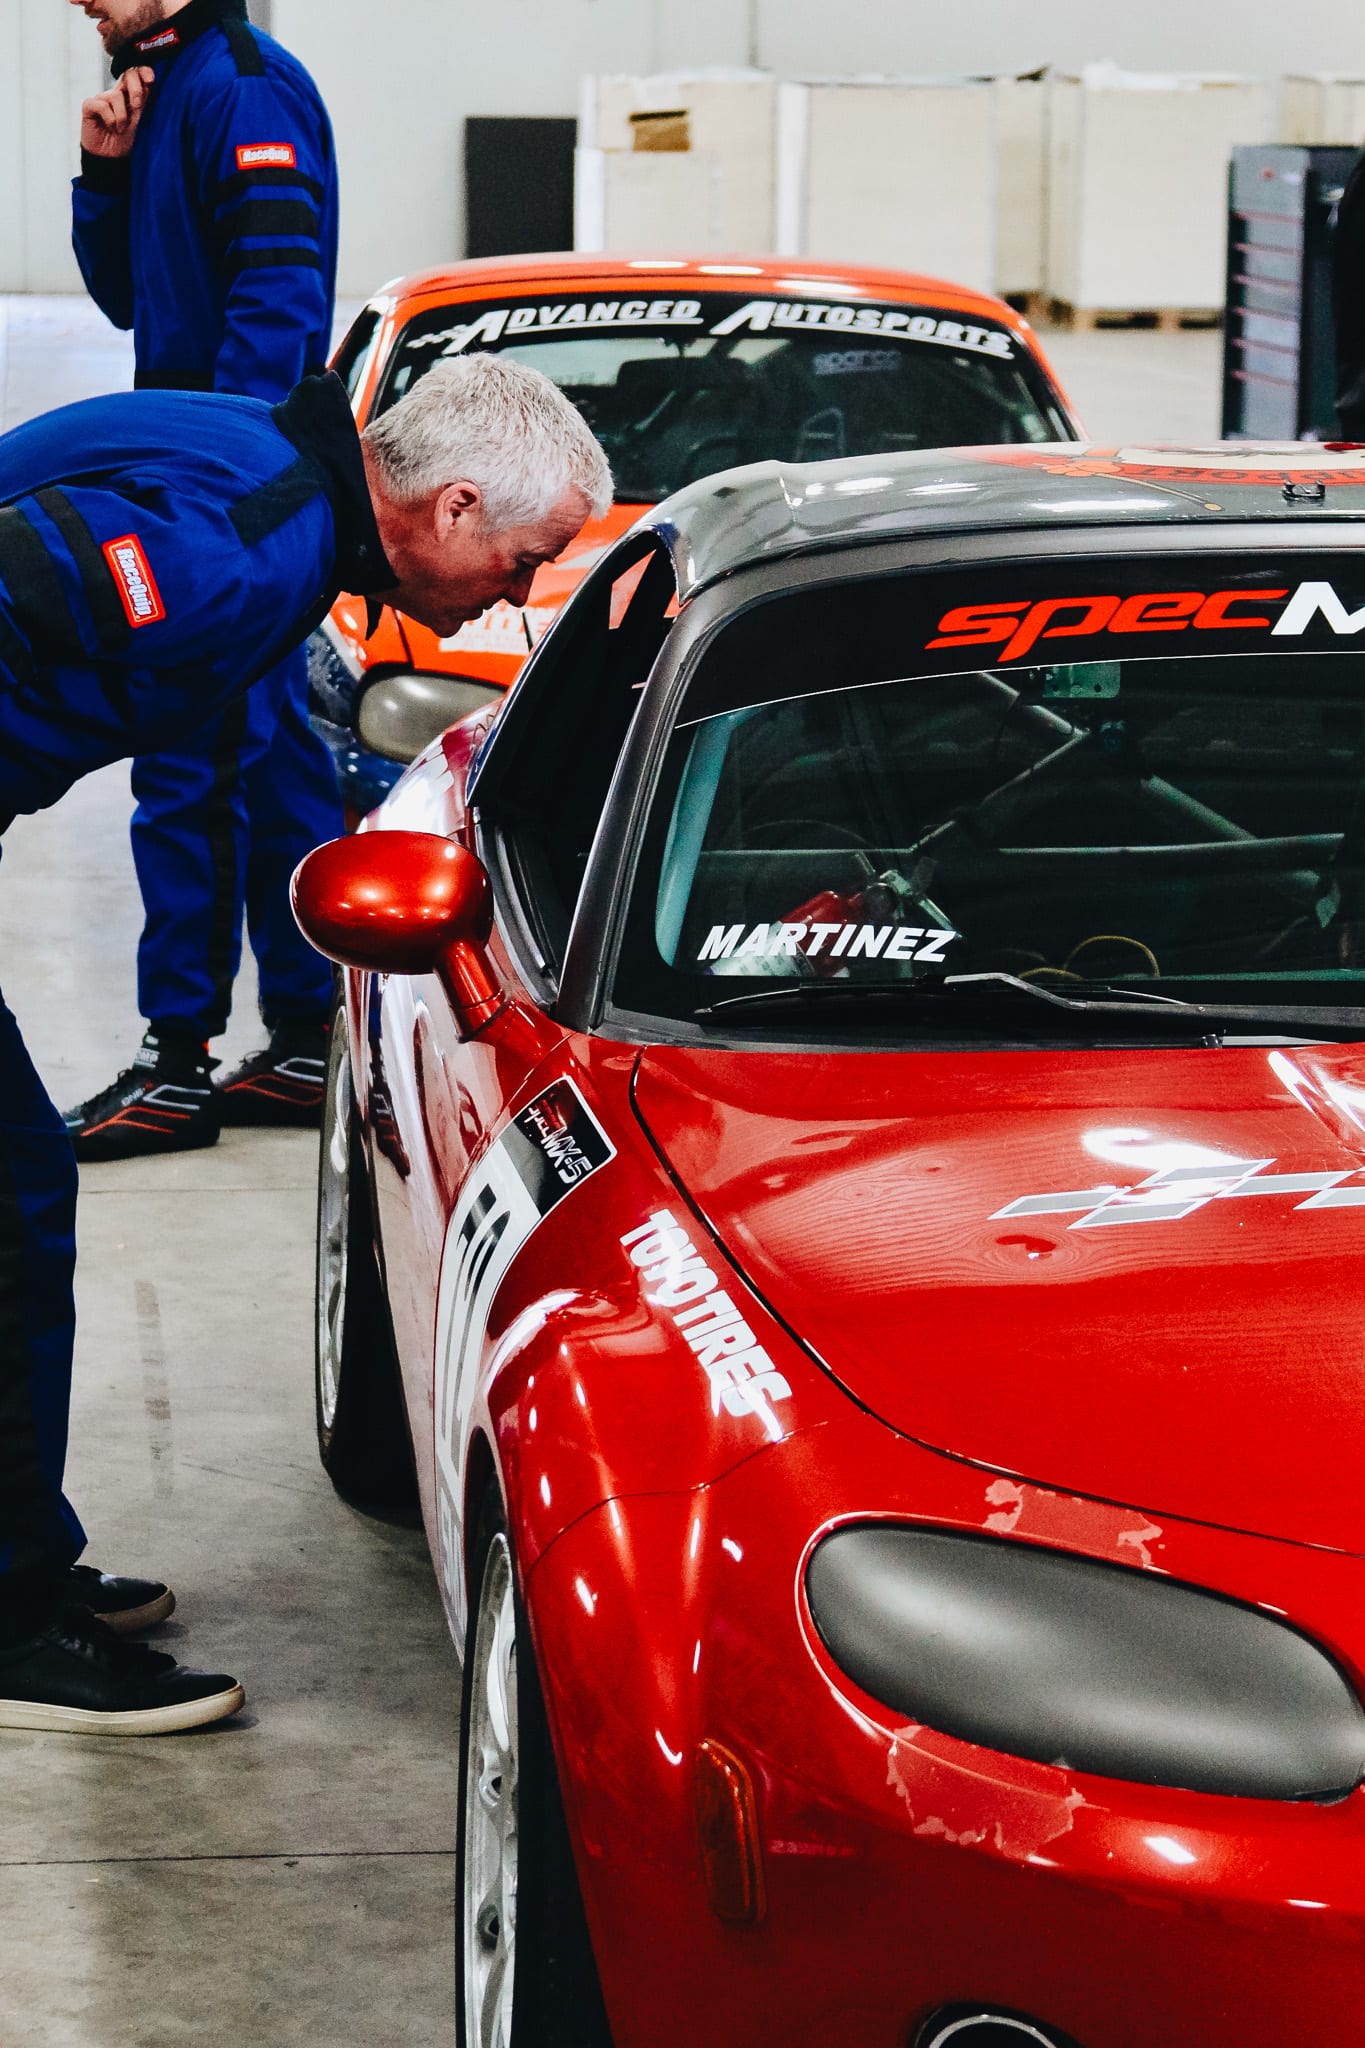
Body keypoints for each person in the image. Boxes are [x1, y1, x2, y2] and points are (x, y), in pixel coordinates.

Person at [0, 355, 612, 1733]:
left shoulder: (268, 472)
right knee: (11, 1204)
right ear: (452, 508)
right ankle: (10, 1624)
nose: (516, 595)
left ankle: (22, 1570)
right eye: (523, 560)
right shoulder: (232, 546)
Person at [65, 0, 348, 1158]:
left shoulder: (245, 89)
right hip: (227, 478)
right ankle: (302, 1037)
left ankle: (175, 1059)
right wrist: (104, 173)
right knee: (270, 758)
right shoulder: (170, 90)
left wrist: (219, 507)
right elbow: (131, 296)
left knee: (185, 759)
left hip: (231, 489)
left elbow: (275, 316)